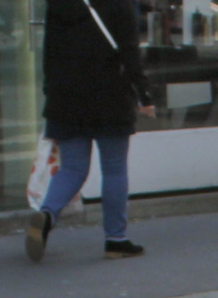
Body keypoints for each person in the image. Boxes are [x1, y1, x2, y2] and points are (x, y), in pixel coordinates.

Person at [28, 0, 183, 262]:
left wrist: (50, 90)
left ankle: (47, 214)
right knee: (114, 168)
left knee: (73, 168)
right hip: (109, 94)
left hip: (65, 96)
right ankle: (116, 240)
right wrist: (144, 94)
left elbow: (50, 51)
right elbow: (129, 50)